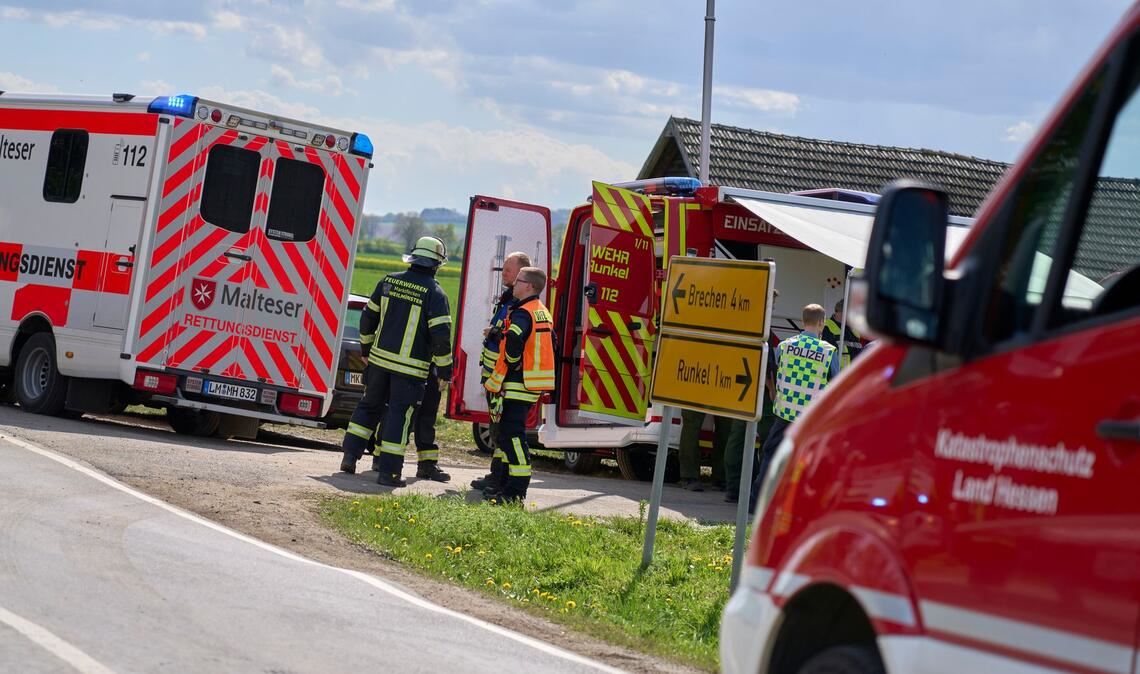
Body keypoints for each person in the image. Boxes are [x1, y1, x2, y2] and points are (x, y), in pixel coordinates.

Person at [339, 236, 454, 487]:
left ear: (413, 258)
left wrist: (366, 349)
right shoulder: (436, 294)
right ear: (436, 265)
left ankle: (349, 457)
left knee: (368, 407)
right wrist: (445, 370)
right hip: (410, 370)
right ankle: (389, 473)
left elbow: (367, 318)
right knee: (398, 417)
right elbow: (441, 337)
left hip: (378, 363)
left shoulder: (388, 281)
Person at [749, 304, 839, 512]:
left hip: (784, 413)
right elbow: (836, 383)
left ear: (802, 321)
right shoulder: (828, 351)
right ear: (822, 323)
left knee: (771, 457)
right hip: (810, 418)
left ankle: (755, 503)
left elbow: (780, 372)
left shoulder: (784, 346)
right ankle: (801, 507)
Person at [482, 266, 554, 503]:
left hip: (519, 383)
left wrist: (512, 362)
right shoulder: (541, 311)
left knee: (512, 435)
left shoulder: (523, 313)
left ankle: (515, 492)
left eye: (519, 280)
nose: (514, 284)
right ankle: (505, 486)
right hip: (530, 383)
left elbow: (514, 338)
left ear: (529, 286)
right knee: (507, 435)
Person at [470, 251, 531, 494]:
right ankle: (496, 475)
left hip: (503, 377)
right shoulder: (508, 298)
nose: (503, 272)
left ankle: (499, 479)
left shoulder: (519, 304)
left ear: (521, 274)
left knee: (502, 429)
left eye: (508, 269)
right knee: (497, 427)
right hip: (495, 376)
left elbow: (512, 338)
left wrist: (494, 333)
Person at [822, 299, 863, 368]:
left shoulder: (854, 330)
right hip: (837, 372)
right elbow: (827, 355)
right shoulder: (826, 327)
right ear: (841, 312)